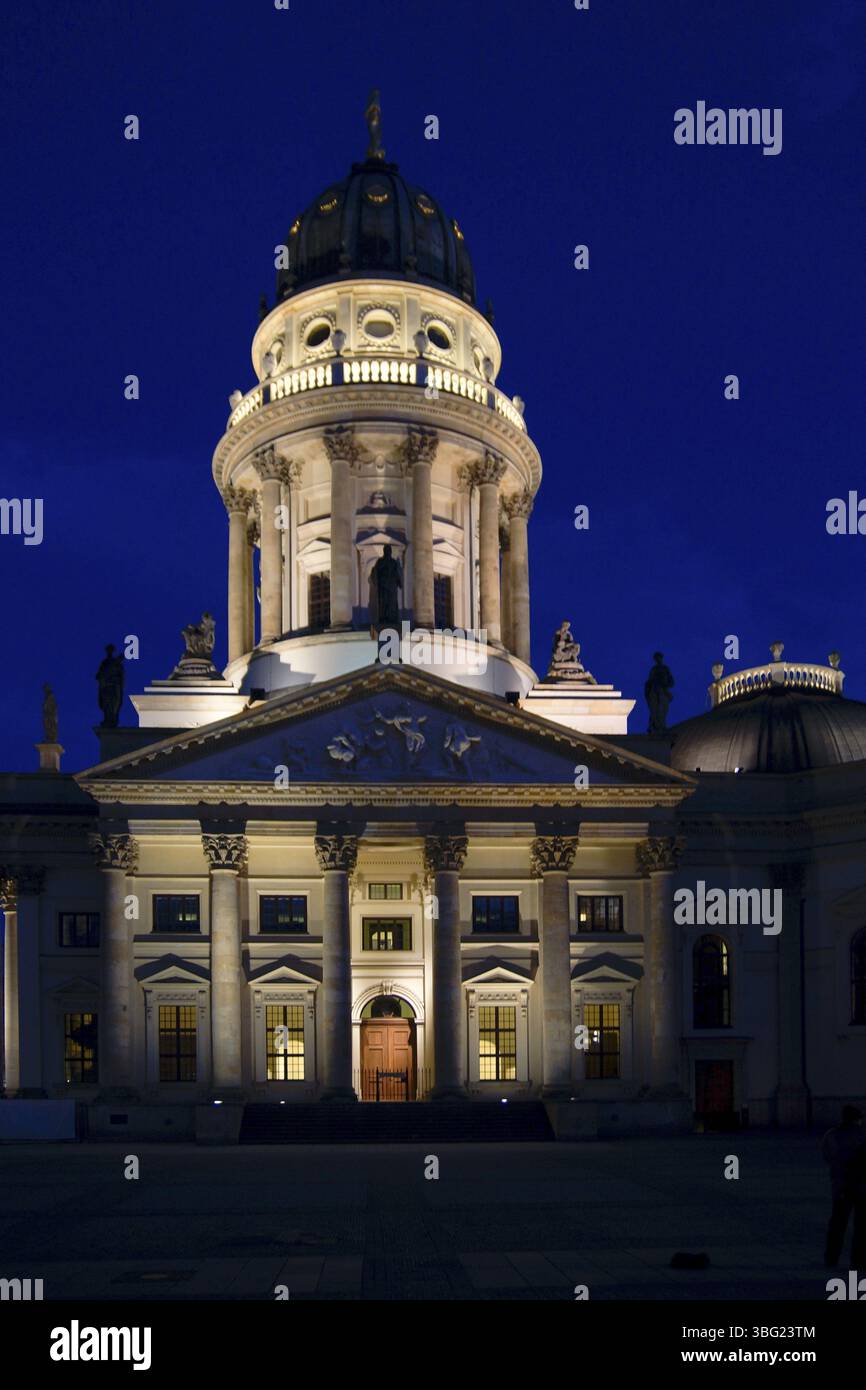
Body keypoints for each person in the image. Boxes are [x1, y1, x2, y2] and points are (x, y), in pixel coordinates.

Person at [821, 1105, 864, 1266]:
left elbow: (827, 1156)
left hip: (841, 1185)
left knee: (838, 1224)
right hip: (862, 1186)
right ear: (858, 1119)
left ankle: (831, 1258)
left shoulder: (832, 1135)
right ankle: (859, 1260)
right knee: (862, 1226)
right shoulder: (863, 1135)